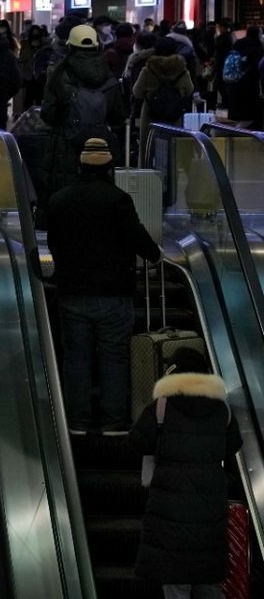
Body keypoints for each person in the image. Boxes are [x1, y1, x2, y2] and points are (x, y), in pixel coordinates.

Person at [47, 138, 161, 434]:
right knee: (114, 358)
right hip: (114, 295)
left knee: (76, 358)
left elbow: (53, 243)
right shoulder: (118, 200)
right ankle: (113, 421)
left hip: (72, 293)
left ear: (80, 167)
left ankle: (77, 421)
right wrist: (155, 255)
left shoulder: (59, 200)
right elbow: (138, 239)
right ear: (110, 168)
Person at [131, 347, 242, 598]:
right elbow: (233, 444)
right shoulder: (221, 408)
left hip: (169, 511)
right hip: (208, 509)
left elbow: (136, 441)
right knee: (209, 581)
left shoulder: (162, 405)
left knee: (175, 583)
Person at [39, 24, 126, 212]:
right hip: (100, 145)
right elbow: (118, 116)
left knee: (64, 202)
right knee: (98, 202)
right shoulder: (109, 76)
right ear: (97, 46)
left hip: (65, 145)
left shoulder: (60, 74)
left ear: (70, 46)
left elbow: (48, 114)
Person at [132, 37, 193, 156]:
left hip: (151, 116)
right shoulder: (182, 70)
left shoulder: (148, 70)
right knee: (172, 150)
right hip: (174, 115)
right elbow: (189, 90)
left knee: (149, 150)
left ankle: (149, 173)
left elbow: (137, 92)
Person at [226, 26, 263, 129]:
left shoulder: (237, 45)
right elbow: (258, 68)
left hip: (235, 83)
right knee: (252, 115)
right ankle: (234, 133)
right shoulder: (258, 48)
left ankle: (235, 132)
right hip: (250, 87)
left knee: (243, 115)